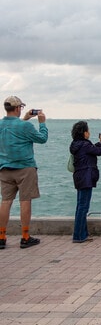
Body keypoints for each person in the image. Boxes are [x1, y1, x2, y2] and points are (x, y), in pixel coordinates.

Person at [0, 96, 48, 249]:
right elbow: (42, 139)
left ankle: (1, 237)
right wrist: (42, 123)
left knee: (6, 201)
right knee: (25, 201)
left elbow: (14, 131)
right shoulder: (24, 126)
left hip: (5, 169)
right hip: (25, 168)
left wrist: (26, 119)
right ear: (17, 108)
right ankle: (25, 237)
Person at [69, 122, 101, 243]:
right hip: (86, 177)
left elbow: (92, 149)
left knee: (80, 206)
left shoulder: (76, 144)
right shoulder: (85, 145)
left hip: (79, 176)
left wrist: (98, 143)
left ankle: (82, 233)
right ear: (84, 132)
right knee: (83, 207)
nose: (89, 132)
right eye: (88, 130)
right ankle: (79, 236)